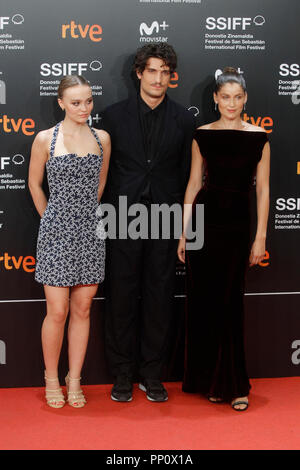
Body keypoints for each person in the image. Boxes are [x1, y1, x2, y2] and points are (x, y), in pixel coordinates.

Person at [100, 43, 195, 402]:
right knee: (121, 297)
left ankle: (152, 374)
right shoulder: (112, 117)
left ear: (172, 77)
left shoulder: (185, 120)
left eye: (165, 72)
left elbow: (189, 176)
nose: (158, 78)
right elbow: (104, 174)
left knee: (159, 297)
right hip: (121, 217)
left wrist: (188, 227)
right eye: (151, 70)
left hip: (166, 219)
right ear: (139, 73)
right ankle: (122, 374)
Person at [178, 67, 270, 411]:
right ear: (215, 99)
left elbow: (263, 190)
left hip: (236, 225)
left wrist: (260, 236)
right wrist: (185, 233)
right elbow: (192, 185)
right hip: (205, 220)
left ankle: (235, 384)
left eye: (238, 97)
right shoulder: (202, 134)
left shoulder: (258, 137)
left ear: (245, 99)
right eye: (225, 97)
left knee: (231, 304)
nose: (231, 103)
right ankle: (210, 381)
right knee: (204, 304)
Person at [28, 75, 111, 408]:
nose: (84, 108)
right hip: (55, 233)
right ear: (61, 103)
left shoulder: (101, 137)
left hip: (90, 231)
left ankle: (74, 379)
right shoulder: (45, 139)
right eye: (76, 102)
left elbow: (100, 185)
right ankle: (51, 379)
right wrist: (51, 218)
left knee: (83, 308)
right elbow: (34, 184)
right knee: (58, 310)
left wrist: (85, 217)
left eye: (89, 101)